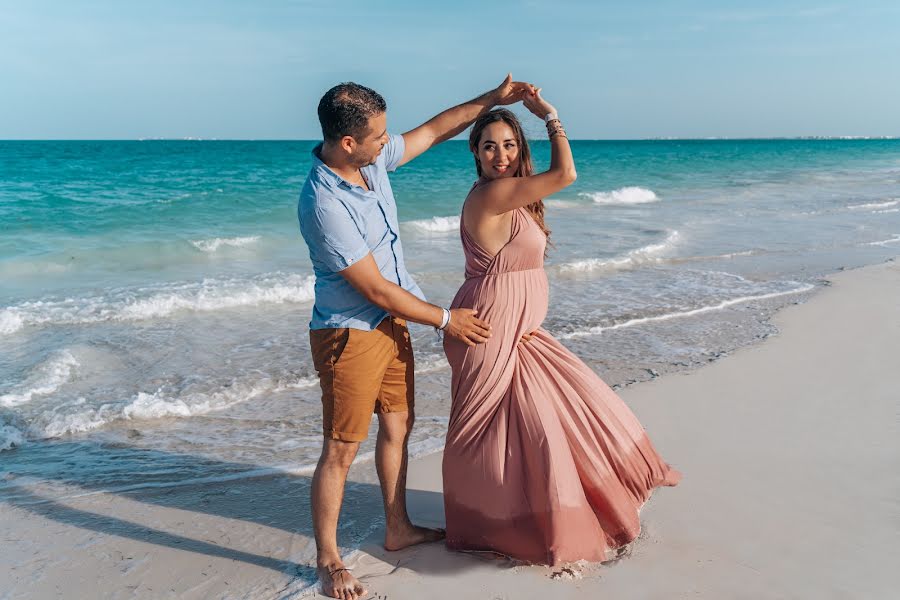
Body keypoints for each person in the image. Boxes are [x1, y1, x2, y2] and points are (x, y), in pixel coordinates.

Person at [298, 75, 535, 599]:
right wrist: (446, 319)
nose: (389, 142)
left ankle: (397, 527)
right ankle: (328, 559)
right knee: (340, 447)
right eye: (379, 136)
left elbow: (434, 131)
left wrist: (491, 101)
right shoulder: (322, 203)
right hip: (350, 332)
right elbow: (375, 290)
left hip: (392, 323)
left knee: (398, 426)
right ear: (347, 143)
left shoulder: (371, 160)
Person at [442, 92, 682, 566]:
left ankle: (524, 514)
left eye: (509, 144)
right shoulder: (493, 193)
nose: (500, 155)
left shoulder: (515, 195)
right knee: (492, 430)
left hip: (516, 330)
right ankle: (493, 522)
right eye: (489, 146)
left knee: (538, 422)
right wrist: (551, 118)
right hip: (490, 331)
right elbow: (567, 175)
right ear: (474, 152)